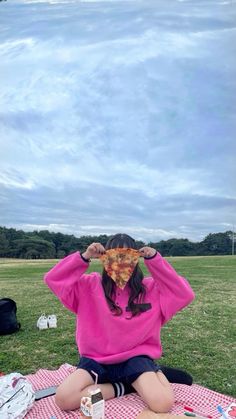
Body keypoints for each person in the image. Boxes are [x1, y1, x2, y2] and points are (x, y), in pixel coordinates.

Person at [44, 233, 195, 413]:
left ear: (136, 259)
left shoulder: (151, 288)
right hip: (96, 360)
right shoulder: (88, 285)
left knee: (162, 404)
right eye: (115, 256)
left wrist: (155, 260)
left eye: (127, 256)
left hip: (135, 360)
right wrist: (84, 257)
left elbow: (184, 294)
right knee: (64, 399)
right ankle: (125, 387)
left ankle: (154, 373)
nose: (121, 262)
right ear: (105, 258)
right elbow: (53, 279)